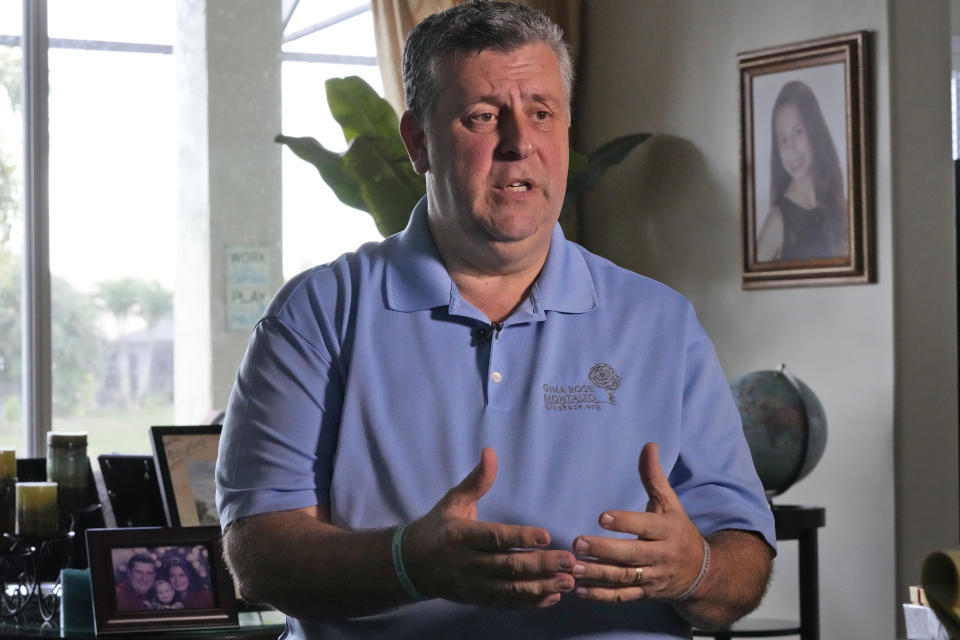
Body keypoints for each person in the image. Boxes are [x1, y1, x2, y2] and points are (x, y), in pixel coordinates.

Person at [216, 2, 775, 638]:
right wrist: (410, 563)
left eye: (542, 113)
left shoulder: (662, 323)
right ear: (418, 142)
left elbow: (744, 562)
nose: (519, 144)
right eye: (483, 117)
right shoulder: (319, 314)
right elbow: (256, 554)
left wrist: (695, 570)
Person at [756, 80, 848, 262]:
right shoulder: (777, 222)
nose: (792, 150)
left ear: (814, 131)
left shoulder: (842, 206)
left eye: (798, 132)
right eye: (783, 140)